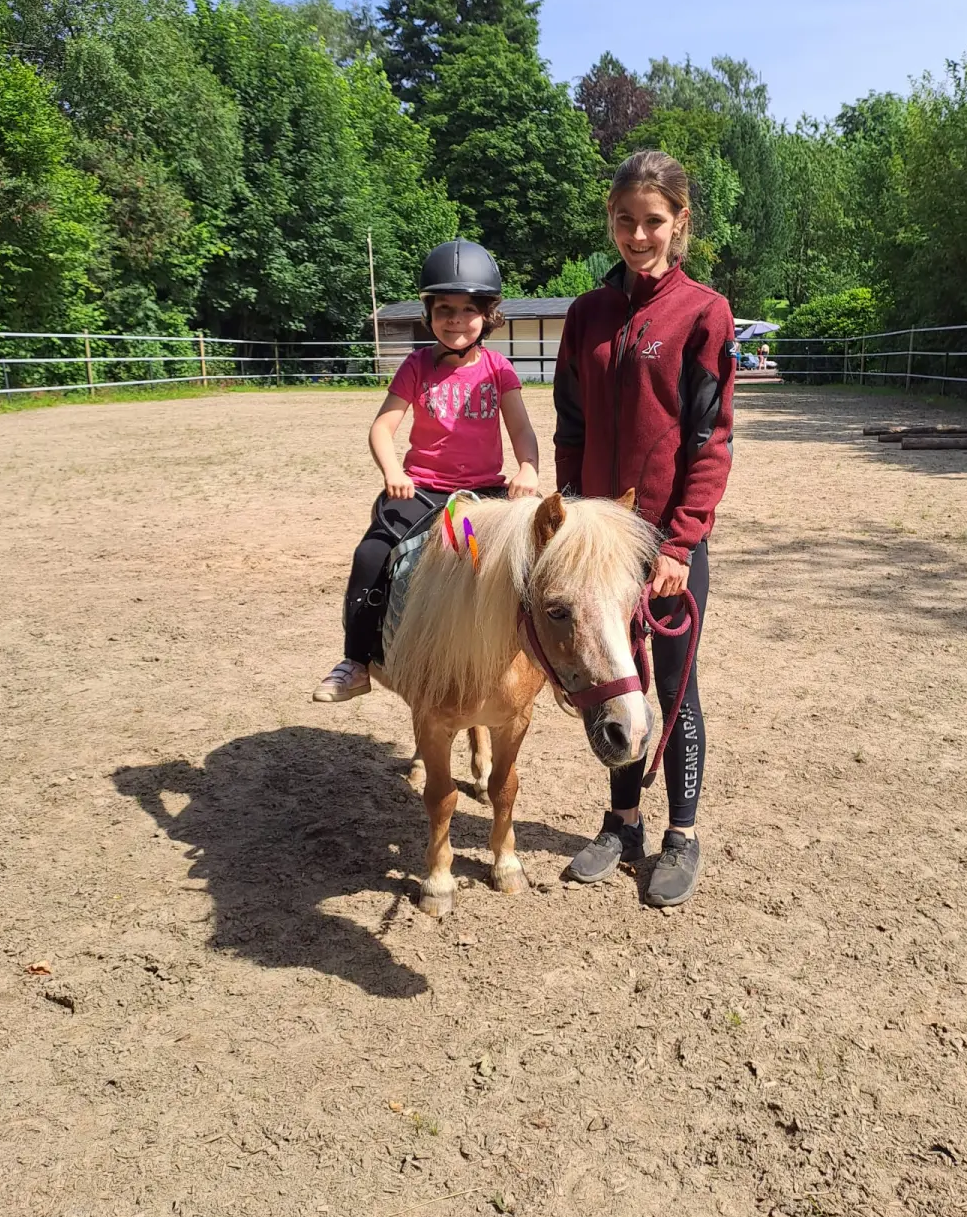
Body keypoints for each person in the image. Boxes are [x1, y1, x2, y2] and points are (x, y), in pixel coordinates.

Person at [553, 150, 735, 907]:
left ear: (679, 222)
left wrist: (679, 543)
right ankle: (621, 821)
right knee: (612, 681)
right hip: (600, 543)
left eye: (652, 222)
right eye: (624, 221)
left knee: (673, 686)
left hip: (663, 546)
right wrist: (567, 515)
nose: (637, 235)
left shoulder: (703, 313)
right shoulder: (585, 314)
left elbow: (709, 440)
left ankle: (680, 836)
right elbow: (568, 422)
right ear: (610, 220)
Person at [314, 239, 540, 703]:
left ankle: (534, 659)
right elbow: (383, 426)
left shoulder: (499, 369)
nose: (455, 320)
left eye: (467, 309)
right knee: (371, 556)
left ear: (487, 315)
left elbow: (521, 427)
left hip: (481, 495)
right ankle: (356, 661)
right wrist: (393, 468)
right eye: (444, 309)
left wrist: (528, 469)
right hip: (422, 492)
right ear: (429, 313)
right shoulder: (416, 366)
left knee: (521, 564)